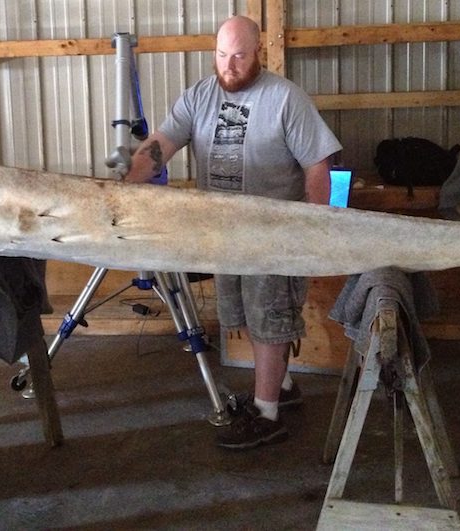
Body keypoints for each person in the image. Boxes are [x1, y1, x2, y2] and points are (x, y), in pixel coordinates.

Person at [125, 15, 342, 450]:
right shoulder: (199, 97)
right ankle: (280, 390)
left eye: (239, 56)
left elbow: (318, 165)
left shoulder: (285, 99)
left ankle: (267, 416)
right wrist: (127, 186)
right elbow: (161, 145)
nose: (230, 66)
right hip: (226, 234)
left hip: (274, 234)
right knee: (245, 314)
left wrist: (321, 227)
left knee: (268, 318)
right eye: (222, 56)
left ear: (257, 51)